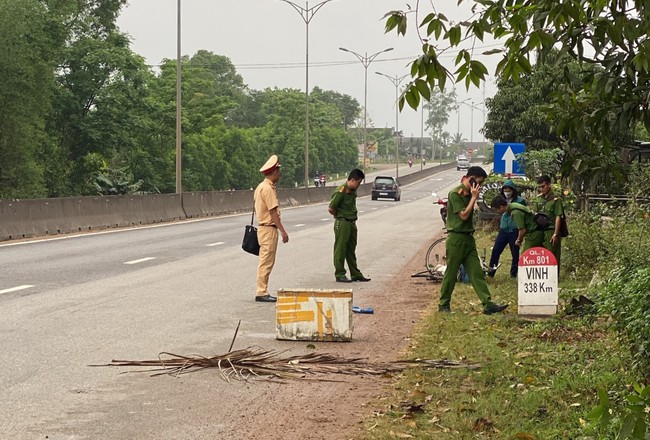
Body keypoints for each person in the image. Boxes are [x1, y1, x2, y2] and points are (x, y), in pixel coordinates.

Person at [438, 166, 508, 315]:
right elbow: (463, 215)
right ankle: (443, 304)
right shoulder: (455, 194)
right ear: (471, 179)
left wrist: (472, 196)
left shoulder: (470, 193)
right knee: (451, 273)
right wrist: (473, 198)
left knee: (476, 272)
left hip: (468, 239)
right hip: (456, 238)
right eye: (479, 182)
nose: (480, 186)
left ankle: (488, 304)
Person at [253, 155, 289, 303]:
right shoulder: (267, 189)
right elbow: (273, 212)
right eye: (278, 171)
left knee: (265, 261)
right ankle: (261, 292)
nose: (279, 174)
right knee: (266, 262)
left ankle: (262, 290)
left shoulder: (261, 187)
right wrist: (283, 230)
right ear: (274, 172)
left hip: (263, 228)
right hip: (268, 229)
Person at [328, 168, 371, 283]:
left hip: (352, 223)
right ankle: (340, 274)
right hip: (343, 223)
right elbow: (331, 208)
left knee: (351, 250)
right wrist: (340, 216)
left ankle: (355, 274)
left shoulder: (352, 191)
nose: (359, 185)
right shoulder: (341, 191)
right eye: (358, 182)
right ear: (352, 180)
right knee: (340, 249)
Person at [487, 179, 526, 278]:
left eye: (509, 190)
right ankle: (491, 272)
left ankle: (514, 273)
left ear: (513, 190)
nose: (507, 193)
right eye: (505, 190)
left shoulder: (520, 201)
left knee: (515, 253)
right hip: (503, 229)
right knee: (496, 250)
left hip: (514, 230)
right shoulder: (501, 200)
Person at [533, 175, 564, 272]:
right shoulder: (539, 199)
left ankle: (554, 275)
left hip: (551, 230)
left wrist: (555, 233)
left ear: (549, 185)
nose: (541, 189)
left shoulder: (556, 200)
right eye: (540, 187)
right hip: (540, 230)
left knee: (552, 253)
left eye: (543, 186)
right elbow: (535, 214)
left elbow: (558, 217)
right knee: (540, 254)